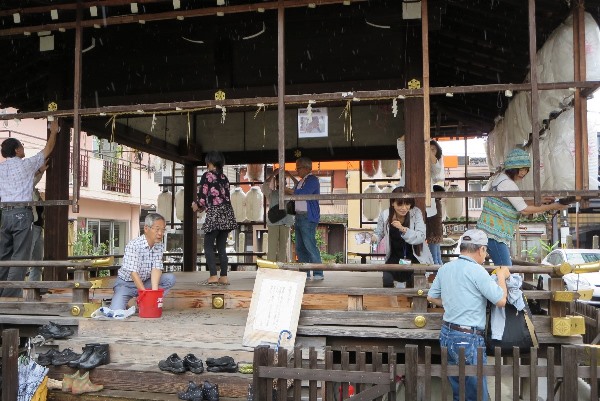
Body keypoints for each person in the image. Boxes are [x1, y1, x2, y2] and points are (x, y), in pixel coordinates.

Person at [427, 229, 510, 401]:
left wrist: (452, 303)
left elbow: (432, 297)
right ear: (481, 250)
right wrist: (501, 275)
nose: (485, 255)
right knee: (476, 394)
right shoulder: (477, 271)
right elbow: (501, 300)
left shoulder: (445, 268)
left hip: (447, 334)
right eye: (485, 251)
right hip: (468, 338)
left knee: (459, 391)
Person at [476, 148, 568, 266]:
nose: (524, 173)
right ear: (514, 168)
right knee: (507, 269)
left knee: (504, 268)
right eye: (522, 169)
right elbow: (524, 209)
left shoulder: (502, 179)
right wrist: (553, 206)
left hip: (490, 232)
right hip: (494, 235)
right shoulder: (507, 183)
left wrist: (540, 200)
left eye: (526, 170)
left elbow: (517, 202)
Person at [0, 120, 59, 297]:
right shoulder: (25, 165)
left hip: (5, 213)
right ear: (17, 150)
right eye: (22, 146)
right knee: (20, 256)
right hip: (21, 214)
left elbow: (18, 181)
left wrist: (38, 171)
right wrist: (54, 132)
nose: (23, 148)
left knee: (4, 255)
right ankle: (10, 296)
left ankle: (1, 292)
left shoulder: (2, 169)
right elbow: (47, 150)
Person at [111, 213, 176, 310]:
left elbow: (156, 269)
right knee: (115, 311)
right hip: (126, 284)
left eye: (163, 230)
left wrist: (153, 294)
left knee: (169, 279)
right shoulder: (134, 245)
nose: (160, 233)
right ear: (146, 228)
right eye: (157, 229)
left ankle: (146, 302)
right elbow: (133, 273)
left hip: (146, 282)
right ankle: (134, 302)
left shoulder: (159, 245)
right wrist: (144, 295)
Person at [372, 186, 434, 288]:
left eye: (407, 203)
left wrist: (402, 228)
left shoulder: (416, 213)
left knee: (415, 285)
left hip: (414, 257)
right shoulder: (385, 215)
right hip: (394, 257)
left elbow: (421, 236)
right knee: (387, 281)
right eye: (400, 204)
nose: (404, 208)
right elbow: (379, 233)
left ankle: (413, 303)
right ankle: (394, 305)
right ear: (392, 203)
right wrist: (374, 238)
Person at [192, 151, 237, 285]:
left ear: (210, 162)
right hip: (227, 213)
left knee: (208, 245)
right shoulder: (224, 177)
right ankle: (223, 276)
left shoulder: (207, 175)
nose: (206, 165)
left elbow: (203, 196)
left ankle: (213, 275)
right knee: (222, 246)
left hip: (215, 213)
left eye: (207, 162)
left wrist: (197, 206)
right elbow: (221, 197)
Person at [285, 157, 323, 280]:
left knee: (309, 244)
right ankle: (304, 272)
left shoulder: (312, 180)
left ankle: (318, 273)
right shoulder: (302, 181)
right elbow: (297, 189)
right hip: (300, 216)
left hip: (308, 216)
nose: (297, 170)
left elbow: (302, 193)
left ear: (307, 168)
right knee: (300, 247)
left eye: (299, 168)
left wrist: (288, 191)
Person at [262, 168, 296, 262]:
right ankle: (271, 269)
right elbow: (264, 186)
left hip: (286, 222)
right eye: (280, 180)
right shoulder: (272, 193)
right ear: (276, 182)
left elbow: (298, 186)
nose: (282, 181)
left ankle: (281, 268)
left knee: (283, 247)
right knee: (272, 247)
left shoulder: (290, 193)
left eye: (284, 179)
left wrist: (290, 174)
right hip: (274, 222)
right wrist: (273, 174)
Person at [426, 185, 445, 265]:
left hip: (432, 232)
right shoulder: (438, 202)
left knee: (434, 258)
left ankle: (436, 274)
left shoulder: (433, 203)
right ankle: (441, 273)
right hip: (438, 231)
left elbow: (428, 217)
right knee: (437, 256)